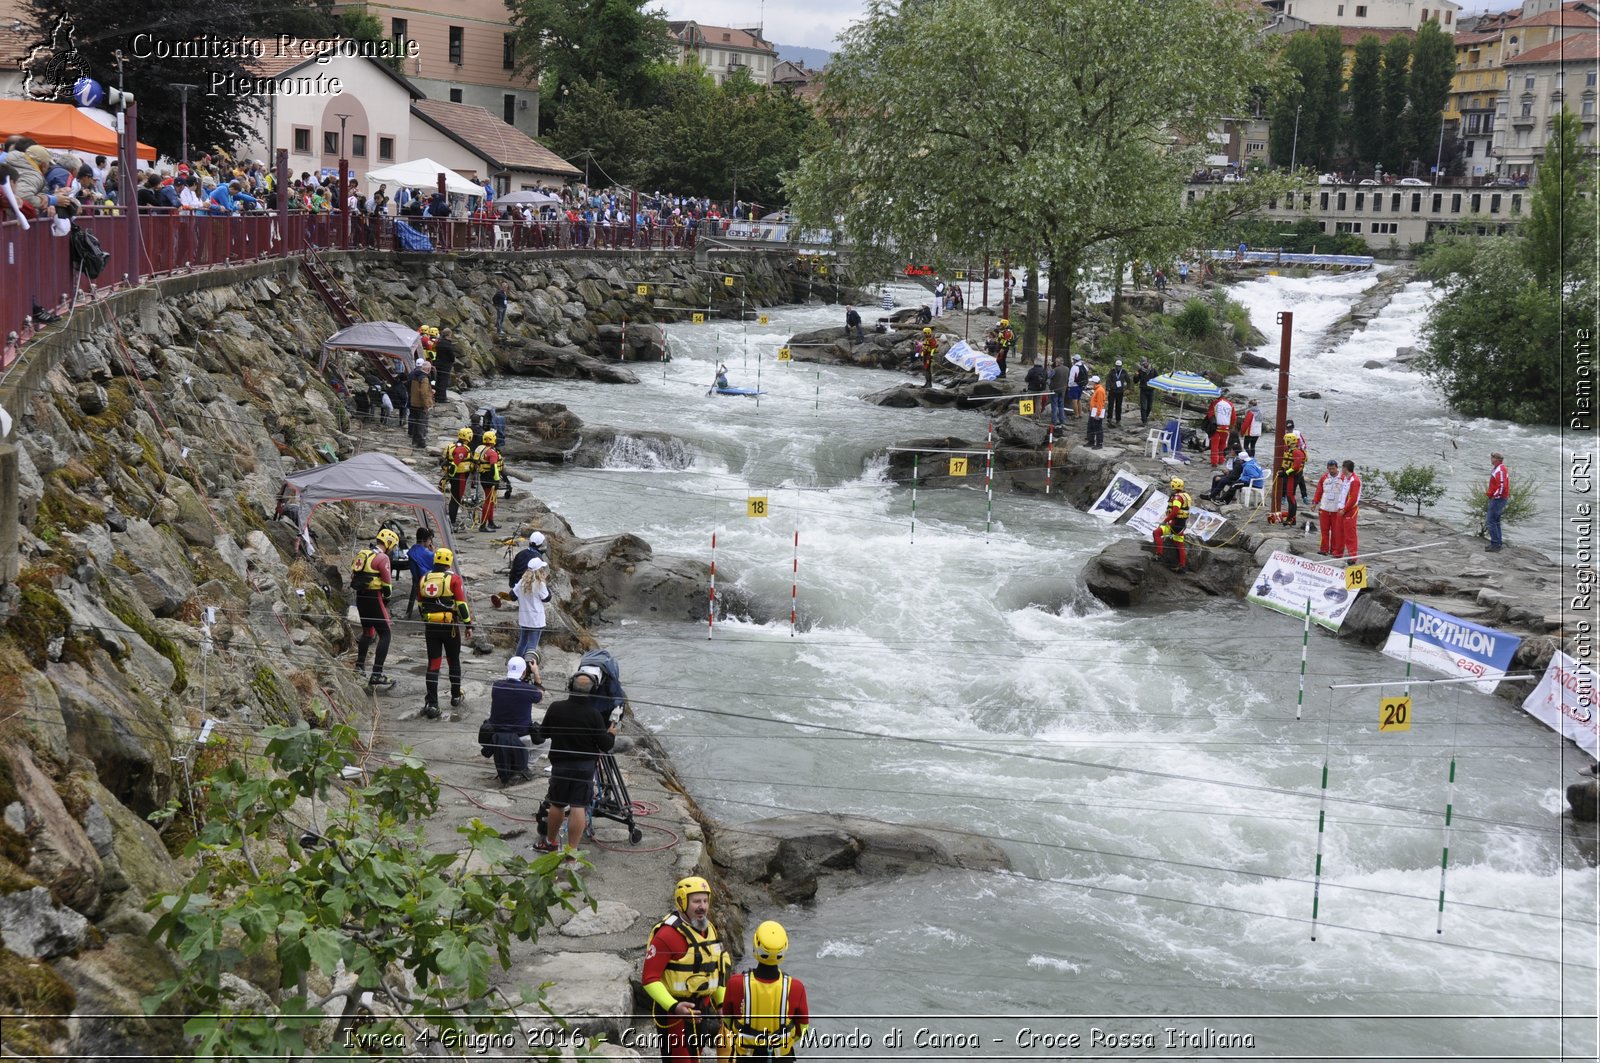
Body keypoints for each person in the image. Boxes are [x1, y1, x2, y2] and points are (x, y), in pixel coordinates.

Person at [643, 877, 730, 1063]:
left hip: (702, 1010)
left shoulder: (711, 930)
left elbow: (718, 972)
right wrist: (674, 1007)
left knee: (696, 1057)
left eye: (705, 901)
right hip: (675, 1014)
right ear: (682, 901)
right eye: (697, 901)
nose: (703, 907)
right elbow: (649, 979)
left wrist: (721, 1005)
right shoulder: (666, 936)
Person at [536, 666, 619, 854]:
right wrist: (611, 733)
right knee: (578, 806)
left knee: (557, 803)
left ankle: (550, 842)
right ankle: (571, 853)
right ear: (593, 690)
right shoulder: (594, 715)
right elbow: (605, 745)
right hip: (584, 768)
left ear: (570, 686)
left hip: (560, 765)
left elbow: (543, 734)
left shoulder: (555, 707)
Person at [721, 921, 810, 1059]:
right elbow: (802, 1029)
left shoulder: (735, 983)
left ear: (756, 946)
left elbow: (727, 1021)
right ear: (784, 948)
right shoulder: (796, 987)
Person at [417, 546, 472, 718]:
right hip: (450, 628)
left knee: (433, 664)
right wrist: (468, 624)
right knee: (453, 661)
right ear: (449, 562)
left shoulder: (424, 578)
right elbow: (462, 605)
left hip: (431, 627)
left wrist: (427, 621)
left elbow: (420, 605)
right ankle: (456, 695)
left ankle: (432, 703)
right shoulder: (453, 579)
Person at [481, 655, 544, 785]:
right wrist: (536, 673)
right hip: (521, 736)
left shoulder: (497, 686)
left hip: (497, 737)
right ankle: (526, 767)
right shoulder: (528, 690)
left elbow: (514, 691)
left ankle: (515, 766)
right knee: (548, 742)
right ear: (524, 672)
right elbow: (540, 695)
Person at [351, 528, 399, 689]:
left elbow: (354, 575)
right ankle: (377, 673)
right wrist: (387, 600)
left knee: (367, 632)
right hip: (374, 597)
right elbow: (387, 585)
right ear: (389, 543)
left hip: (360, 597)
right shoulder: (382, 558)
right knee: (385, 633)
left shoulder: (363, 553)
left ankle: (359, 666)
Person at [512, 557, 552, 661]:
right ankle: (528, 667)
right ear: (539, 570)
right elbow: (547, 598)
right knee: (532, 646)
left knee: (522, 643)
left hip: (524, 618)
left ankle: (517, 662)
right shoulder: (540, 585)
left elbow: (512, 595)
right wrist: (544, 582)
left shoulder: (522, 582)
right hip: (536, 620)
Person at [1152, 477, 1192, 574]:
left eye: (1172, 486)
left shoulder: (1177, 498)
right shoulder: (1185, 495)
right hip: (1181, 525)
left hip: (1174, 525)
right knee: (1179, 544)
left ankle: (1159, 555)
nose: (1171, 488)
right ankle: (1182, 565)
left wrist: (1165, 521)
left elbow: (1174, 512)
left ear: (1175, 486)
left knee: (1156, 533)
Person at [442, 428, 475, 526]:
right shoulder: (462, 449)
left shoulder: (454, 445)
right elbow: (455, 464)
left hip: (457, 476)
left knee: (455, 498)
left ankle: (452, 519)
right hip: (459, 476)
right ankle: (452, 522)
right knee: (456, 499)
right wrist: (450, 477)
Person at [474, 429, 505, 531]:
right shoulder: (492, 452)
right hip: (490, 479)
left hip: (484, 476)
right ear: (493, 439)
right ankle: (483, 526)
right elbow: (494, 468)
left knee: (491, 501)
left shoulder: (482, 449)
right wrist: (496, 481)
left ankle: (491, 522)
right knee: (488, 501)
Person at [1313, 460, 1346, 556]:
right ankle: (1324, 549)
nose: (1331, 470)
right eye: (1329, 468)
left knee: (1336, 531)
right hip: (1325, 508)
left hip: (1337, 509)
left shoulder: (1343, 478)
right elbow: (1319, 491)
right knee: (1324, 530)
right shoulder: (1324, 478)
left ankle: (1334, 550)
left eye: (1333, 468)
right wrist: (1315, 502)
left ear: (1337, 468)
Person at [404, 526, 435, 621]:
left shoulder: (412, 550)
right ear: (424, 540)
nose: (431, 542)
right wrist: (433, 552)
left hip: (417, 580)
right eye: (430, 539)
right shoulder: (429, 555)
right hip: (428, 581)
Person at [1276, 433, 1308, 523]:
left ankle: (1291, 518)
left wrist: (1285, 473)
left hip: (1294, 476)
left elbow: (1296, 467)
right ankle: (1291, 517)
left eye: (1285, 441)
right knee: (1290, 496)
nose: (1284, 442)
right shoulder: (1289, 451)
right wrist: (1282, 469)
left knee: (1290, 496)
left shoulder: (1296, 452)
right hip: (1290, 476)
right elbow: (1286, 463)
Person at [408, 358, 435, 449]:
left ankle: (414, 441)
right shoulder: (424, 378)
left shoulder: (414, 374)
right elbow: (424, 393)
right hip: (420, 404)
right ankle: (420, 442)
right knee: (421, 423)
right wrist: (427, 405)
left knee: (415, 422)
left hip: (413, 401)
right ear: (428, 369)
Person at [1485, 452, 1509, 552]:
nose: (1491, 459)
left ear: (1496, 459)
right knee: (1496, 522)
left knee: (1490, 521)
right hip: (1499, 498)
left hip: (1498, 499)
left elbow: (1502, 485)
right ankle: (1497, 543)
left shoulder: (1500, 470)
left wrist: (1496, 496)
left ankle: (1495, 544)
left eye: (1492, 458)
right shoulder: (1499, 468)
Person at [1340, 459, 1364, 561]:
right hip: (1343, 509)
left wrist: (1344, 510)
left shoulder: (1354, 481)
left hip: (1350, 510)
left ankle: (1353, 557)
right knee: (1342, 533)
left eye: (1342, 468)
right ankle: (1339, 553)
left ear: (1345, 468)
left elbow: (1353, 498)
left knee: (1350, 535)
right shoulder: (1347, 478)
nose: (1341, 470)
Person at [1208, 394, 1234, 466]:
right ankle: (1221, 460)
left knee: (1214, 446)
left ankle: (1214, 462)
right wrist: (1231, 426)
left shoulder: (1214, 403)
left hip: (1216, 428)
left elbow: (1210, 415)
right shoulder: (1230, 404)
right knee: (1223, 444)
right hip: (1226, 428)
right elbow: (1233, 417)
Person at [433, 328, 457, 402]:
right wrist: (453, 360)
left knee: (438, 380)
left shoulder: (439, 342)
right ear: (449, 334)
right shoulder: (447, 344)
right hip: (445, 365)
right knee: (444, 381)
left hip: (437, 363)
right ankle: (442, 398)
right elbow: (451, 355)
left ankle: (436, 396)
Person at [1085, 375, 1107, 449]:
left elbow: (1100, 403)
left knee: (1097, 427)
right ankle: (1091, 441)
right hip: (1093, 410)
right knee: (1090, 426)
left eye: (1091, 382)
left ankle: (1099, 443)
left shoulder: (1100, 390)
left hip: (1097, 411)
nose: (1090, 383)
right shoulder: (1096, 389)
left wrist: (1097, 414)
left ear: (1094, 383)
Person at [1136, 358, 1158, 425]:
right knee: (1143, 406)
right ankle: (1144, 421)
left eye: (1145, 363)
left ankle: (1145, 417)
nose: (1144, 365)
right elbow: (1135, 381)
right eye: (1142, 364)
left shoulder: (1153, 370)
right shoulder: (1140, 370)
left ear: (1148, 362)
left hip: (1151, 390)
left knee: (1149, 407)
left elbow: (1158, 378)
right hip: (1143, 390)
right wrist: (1136, 376)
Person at [1107, 360, 1130, 425]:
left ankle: (1118, 419)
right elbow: (1108, 380)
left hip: (1120, 391)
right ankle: (1109, 418)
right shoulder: (1112, 371)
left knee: (1118, 406)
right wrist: (1107, 388)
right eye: (1117, 366)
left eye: (1119, 366)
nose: (1118, 368)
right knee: (1110, 405)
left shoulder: (1124, 372)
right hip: (1112, 390)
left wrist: (1128, 388)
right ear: (1115, 366)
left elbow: (1128, 380)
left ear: (1121, 366)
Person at [1049, 357, 1068, 427]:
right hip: (1063, 389)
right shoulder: (1067, 369)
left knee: (1054, 405)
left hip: (1055, 390)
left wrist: (1049, 368)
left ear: (1057, 362)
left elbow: (1049, 376)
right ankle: (1062, 420)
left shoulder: (1055, 370)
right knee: (1061, 405)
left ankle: (1054, 420)